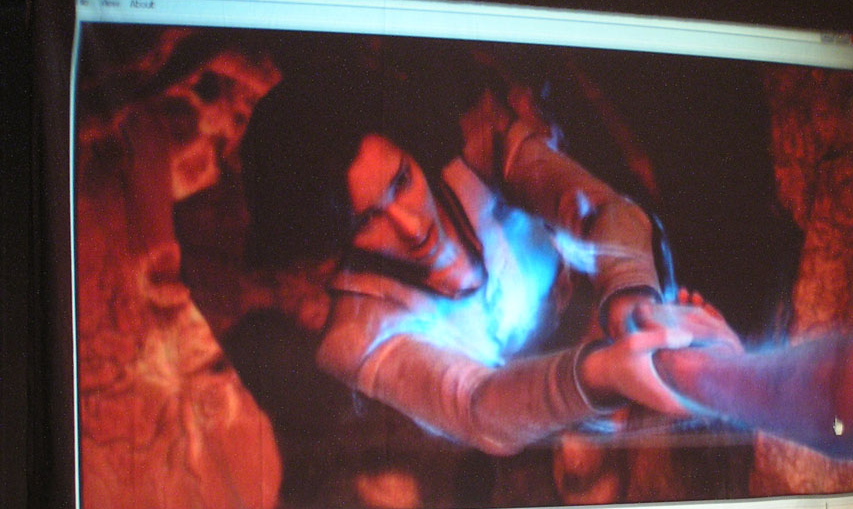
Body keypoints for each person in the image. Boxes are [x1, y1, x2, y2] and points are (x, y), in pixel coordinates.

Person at [242, 65, 741, 459]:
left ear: (412, 147)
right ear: (335, 240)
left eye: (402, 181)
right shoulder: (356, 337)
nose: (410, 227)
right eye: (368, 221)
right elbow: (476, 408)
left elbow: (605, 211)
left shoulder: (480, 147)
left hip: (603, 309)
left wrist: (631, 302)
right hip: (540, 423)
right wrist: (600, 374)